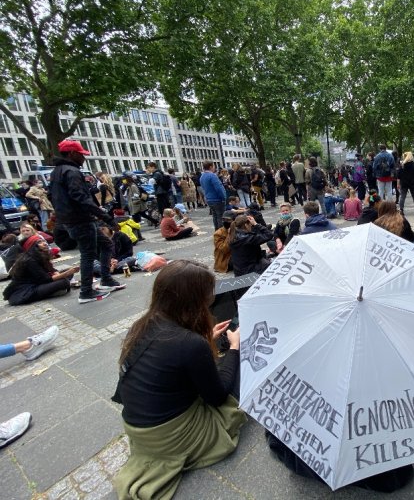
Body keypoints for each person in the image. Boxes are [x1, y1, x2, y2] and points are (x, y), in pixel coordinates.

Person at [112, 260, 246, 499]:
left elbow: (170, 361)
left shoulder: (144, 325)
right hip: (170, 437)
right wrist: (234, 348)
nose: (211, 297)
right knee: (241, 374)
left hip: (139, 431)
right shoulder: (189, 343)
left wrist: (206, 341)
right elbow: (217, 397)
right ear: (194, 299)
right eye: (208, 293)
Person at [49, 140, 124, 303]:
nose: (84, 158)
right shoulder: (71, 172)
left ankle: (106, 279)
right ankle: (86, 291)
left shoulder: (57, 172)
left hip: (71, 219)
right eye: (81, 154)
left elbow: (54, 197)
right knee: (88, 255)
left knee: (105, 244)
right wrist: (108, 218)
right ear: (72, 154)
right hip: (80, 220)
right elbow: (81, 198)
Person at [3, 235, 77, 305]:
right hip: (27, 289)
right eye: (39, 242)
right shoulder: (29, 260)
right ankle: (52, 291)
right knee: (64, 282)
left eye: (43, 241)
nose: (44, 243)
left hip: (38, 282)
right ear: (32, 246)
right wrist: (65, 274)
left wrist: (59, 273)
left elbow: (51, 270)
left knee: (68, 273)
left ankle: (55, 290)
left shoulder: (40, 256)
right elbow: (46, 279)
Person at [200, 161, 228, 231]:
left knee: (215, 216)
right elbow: (219, 188)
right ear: (210, 167)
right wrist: (223, 197)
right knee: (221, 217)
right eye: (214, 166)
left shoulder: (202, 176)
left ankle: (217, 231)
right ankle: (221, 232)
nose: (214, 167)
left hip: (209, 199)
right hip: (217, 199)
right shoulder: (212, 175)